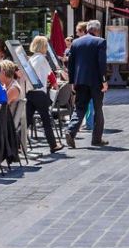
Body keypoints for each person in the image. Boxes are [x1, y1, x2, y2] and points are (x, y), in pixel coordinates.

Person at [65, 20, 108, 148]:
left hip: (80, 81)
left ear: (88, 29)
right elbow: (102, 63)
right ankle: (96, 139)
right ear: (98, 30)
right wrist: (104, 80)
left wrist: (72, 81)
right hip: (96, 82)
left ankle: (70, 131)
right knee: (98, 109)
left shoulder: (76, 43)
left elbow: (71, 64)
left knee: (79, 107)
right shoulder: (100, 42)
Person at [25, 36, 61, 153]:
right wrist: (55, 85)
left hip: (30, 93)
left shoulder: (31, 59)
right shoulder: (42, 59)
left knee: (27, 121)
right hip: (40, 94)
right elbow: (50, 74)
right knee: (46, 120)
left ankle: (18, 144)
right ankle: (53, 145)